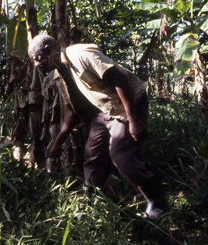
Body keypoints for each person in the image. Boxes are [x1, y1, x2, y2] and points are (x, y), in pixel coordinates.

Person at [28, 34, 167, 218]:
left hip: (125, 105)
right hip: (101, 113)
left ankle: (157, 203)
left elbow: (119, 79)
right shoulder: (59, 74)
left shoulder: (79, 54)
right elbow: (72, 109)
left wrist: (133, 120)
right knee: (92, 157)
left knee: (122, 155)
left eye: (37, 59)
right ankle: (91, 202)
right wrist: (58, 142)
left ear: (47, 50)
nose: (37, 65)